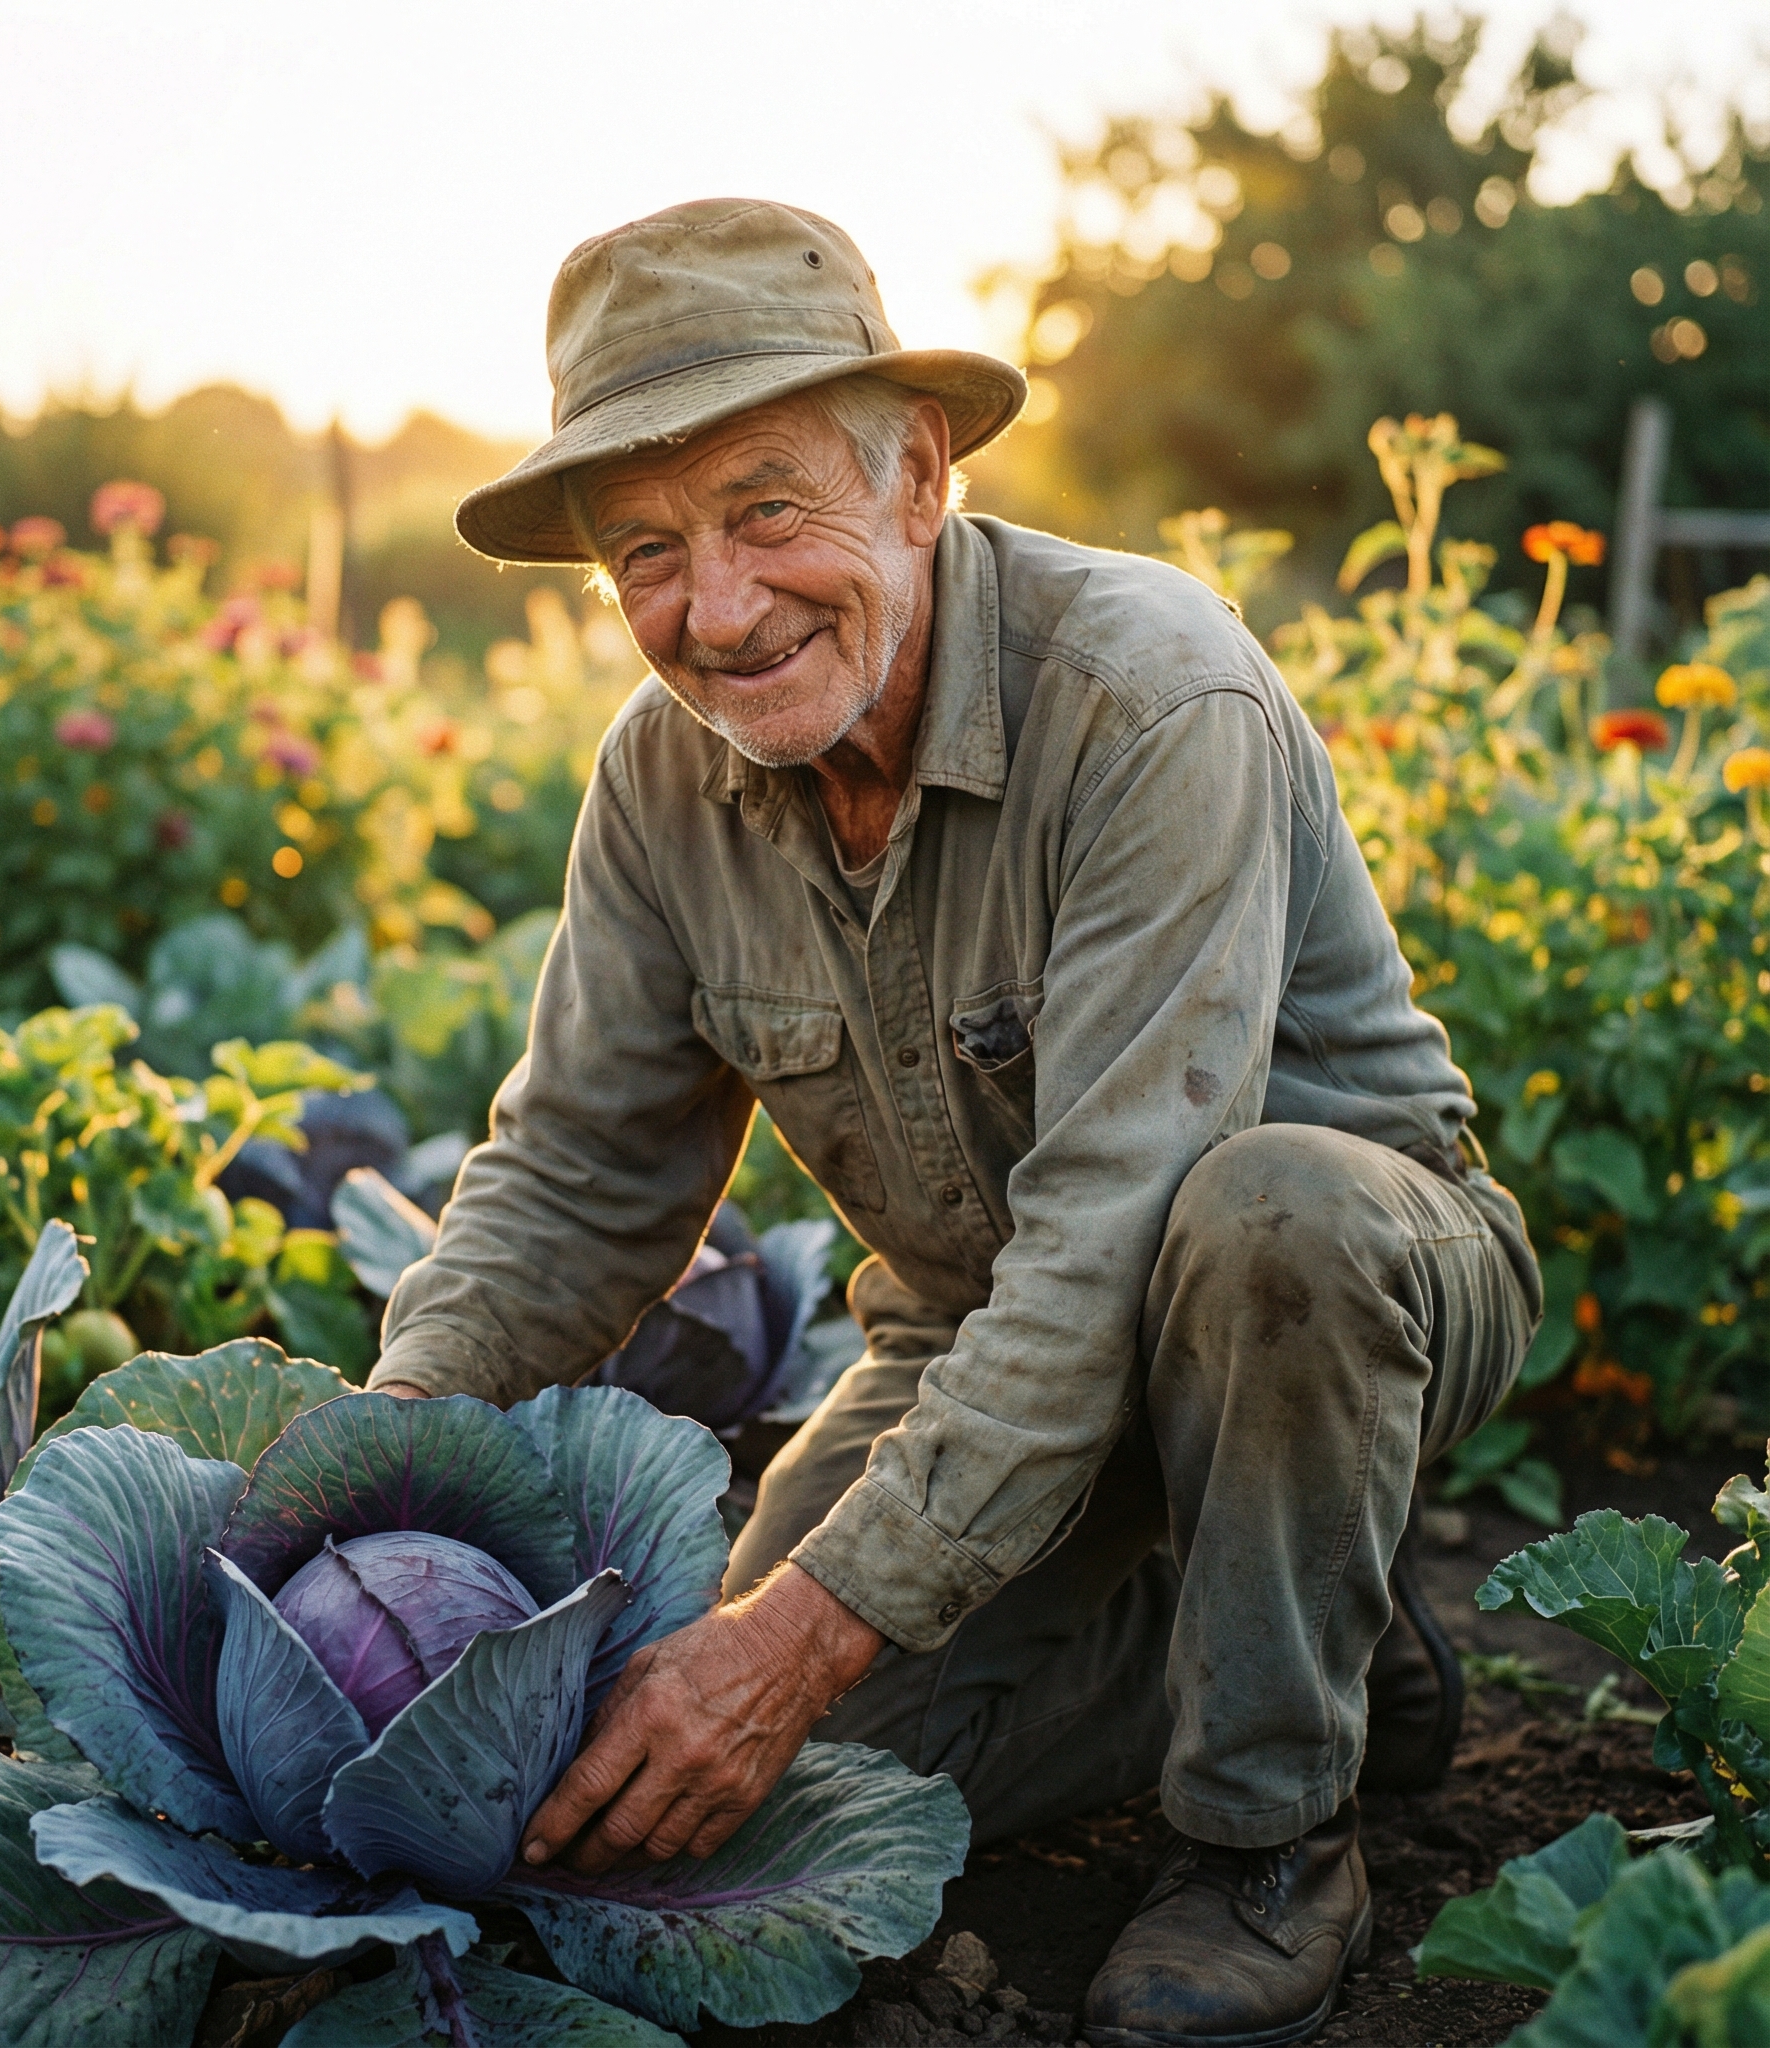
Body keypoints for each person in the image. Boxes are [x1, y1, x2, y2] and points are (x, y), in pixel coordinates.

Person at [373, 197, 1541, 2046]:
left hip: (1335, 1288)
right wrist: (382, 1459)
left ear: (917, 476)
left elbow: (1113, 1240)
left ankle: (1267, 1835)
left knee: (1264, 1217)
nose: (719, 608)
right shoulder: (661, 783)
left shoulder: (1149, 696)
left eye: (769, 511)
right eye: (646, 553)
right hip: (972, 1334)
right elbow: (580, 1176)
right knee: (758, 1800)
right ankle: (1293, 1624)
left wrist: (790, 1636)